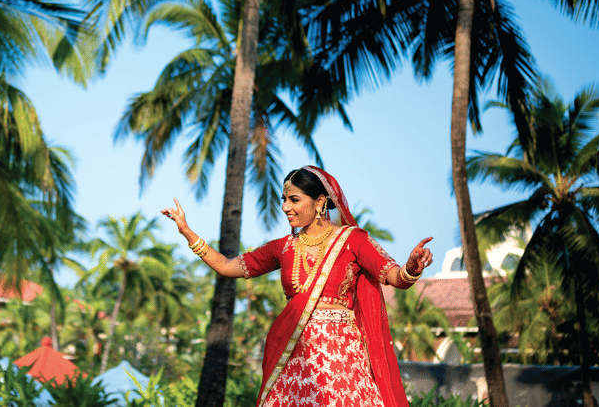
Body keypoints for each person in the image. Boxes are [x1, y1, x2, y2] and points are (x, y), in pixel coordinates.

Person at [161, 165, 433, 407]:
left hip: (344, 359)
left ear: (320, 202)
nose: (285, 207)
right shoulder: (283, 248)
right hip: (295, 356)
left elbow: (394, 277)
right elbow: (227, 267)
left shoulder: (353, 240)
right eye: (284, 200)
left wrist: (411, 269)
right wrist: (187, 232)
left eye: (294, 200)